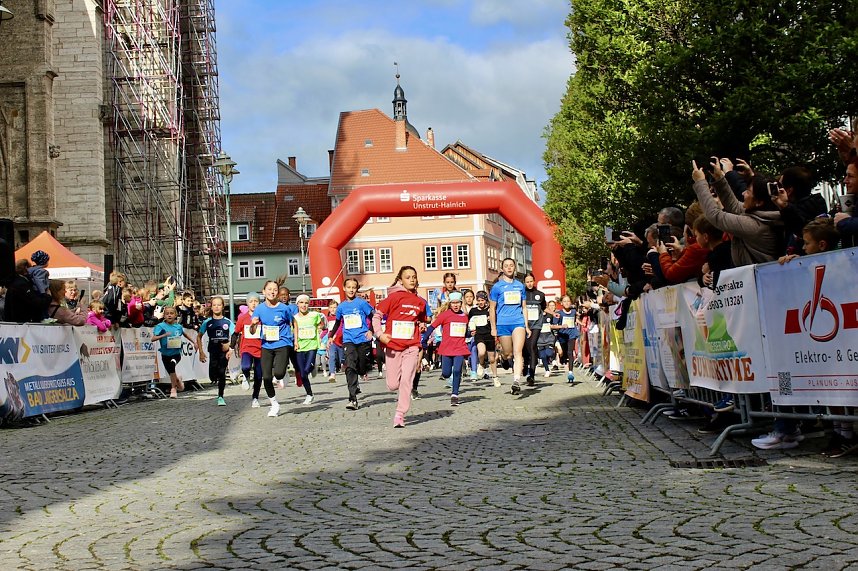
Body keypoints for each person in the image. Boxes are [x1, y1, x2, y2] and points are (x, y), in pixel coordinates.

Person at [692, 158, 784, 266]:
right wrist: (719, 178)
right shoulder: (763, 215)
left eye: (748, 192)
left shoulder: (755, 226)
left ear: (759, 202)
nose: (744, 193)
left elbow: (715, 216)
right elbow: (734, 206)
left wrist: (700, 183)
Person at [373, 266, 428, 427]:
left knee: (406, 380)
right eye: (408, 277)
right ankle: (398, 401)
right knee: (392, 385)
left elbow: (421, 320)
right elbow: (377, 316)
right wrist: (380, 334)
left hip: (412, 346)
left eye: (414, 276)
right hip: (393, 346)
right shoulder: (394, 298)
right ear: (401, 280)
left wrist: (422, 326)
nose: (411, 279)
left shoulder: (420, 302)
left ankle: (400, 413)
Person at [250, 281, 297, 417]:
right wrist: (253, 325)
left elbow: (293, 322)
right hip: (266, 345)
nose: (272, 292)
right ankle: (274, 404)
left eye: (275, 290)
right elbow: (253, 331)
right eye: (269, 289)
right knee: (266, 377)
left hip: (282, 343)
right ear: (263, 291)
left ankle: (283, 374)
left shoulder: (284, 308)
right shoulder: (259, 309)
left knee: (279, 373)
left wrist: (296, 339)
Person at [330, 278, 374, 410]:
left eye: (353, 287)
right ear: (344, 288)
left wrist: (371, 331)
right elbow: (337, 322)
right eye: (348, 287)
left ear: (357, 289)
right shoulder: (341, 307)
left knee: (361, 367)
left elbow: (373, 317)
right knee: (350, 366)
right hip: (348, 340)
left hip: (362, 339)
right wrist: (331, 336)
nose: (351, 289)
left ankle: (361, 375)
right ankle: (352, 399)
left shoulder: (361, 303)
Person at [489, 258, 529, 395]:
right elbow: (492, 308)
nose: (509, 268)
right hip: (503, 323)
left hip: (518, 322)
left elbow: (524, 307)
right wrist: (493, 328)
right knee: (508, 352)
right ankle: (504, 358)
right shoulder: (497, 287)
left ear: (514, 268)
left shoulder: (520, 286)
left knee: (518, 352)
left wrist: (527, 325)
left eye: (511, 265)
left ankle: (516, 381)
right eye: (506, 266)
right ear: (502, 269)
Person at [423, 291, 471, 406]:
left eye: (458, 303)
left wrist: (470, 333)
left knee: (457, 370)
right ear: (450, 304)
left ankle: (455, 394)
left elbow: (464, 333)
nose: (456, 305)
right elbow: (433, 326)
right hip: (446, 349)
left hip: (459, 348)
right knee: (446, 373)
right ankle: (446, 376)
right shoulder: (445, 315)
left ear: (461, 303)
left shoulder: (464, 317)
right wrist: (424, 339)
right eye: (453, 303)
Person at [151, 306, 196, 398]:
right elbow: (153, 338)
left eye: (171, 313)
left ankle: (173, 389)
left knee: (172, 366)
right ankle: (178, 381)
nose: (169, 315)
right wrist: (164, 335)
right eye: (167, 314)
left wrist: (194, 342)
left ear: (176, 315)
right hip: (165, 354)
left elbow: (185, 334)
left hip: (176, 354)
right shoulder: (160, 326)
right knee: (171, 372)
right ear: (164, 316)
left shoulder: (178, 327)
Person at [197, 297, 234, 406]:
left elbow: (236, 335)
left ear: (223, 306)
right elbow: (199, 336)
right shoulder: (207, 322)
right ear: (211, 307)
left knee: (222, 372)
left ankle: (220, 396)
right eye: (214, 305)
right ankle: (214, 377)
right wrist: (201, 352)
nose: (217, 307)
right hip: (213, 350)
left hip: (224, 350)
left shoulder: (227, 322)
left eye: (219, 305)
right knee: (213, 375)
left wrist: (230, 347)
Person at [293, 294, 325, 405]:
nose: (304, 305)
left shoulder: (314, 315)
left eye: (306, 303)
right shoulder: (295, 318)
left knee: (306, 370)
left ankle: (311, 366)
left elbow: (322, 324)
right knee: (302, 375)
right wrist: (295, 342)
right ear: (297, 304)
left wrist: (321, 327)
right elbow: (294, 331)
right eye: (301, 302)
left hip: (312, 345)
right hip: (300, 347)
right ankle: (309, 394)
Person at [234, 292, 264, 407]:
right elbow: (236, 332)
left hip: (260, 349)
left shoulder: (262, 317)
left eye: (256, 301)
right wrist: (232, 347)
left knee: (259, 375)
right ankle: (246, 376)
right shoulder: (243, 317)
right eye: (251, 301)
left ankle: (255, 397)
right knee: (246, 366)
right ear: (247, 303)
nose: (254, 304)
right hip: (246, 348)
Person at [522, 273, 547, 386]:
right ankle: (525, 364)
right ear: (524, 283)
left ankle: (531, 375)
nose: (529, 283)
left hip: (536, 324)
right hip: (524, 324)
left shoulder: (540, 295)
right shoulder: (522, 294)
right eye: (527, 282)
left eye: (531, 281)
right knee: (525, 348)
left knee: (532, 346)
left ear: (534, 281)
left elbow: (543, 307)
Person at [469, 291, 497, 384]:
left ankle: (495, 377)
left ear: (486, 300)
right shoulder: (473, 311)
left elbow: (495, 321)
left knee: (492, 359)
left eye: (482, 300)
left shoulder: (490, 310)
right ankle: (481, 363)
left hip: (489, 335)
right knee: (481, 352)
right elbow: (470, 322)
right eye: (479, 300)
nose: (480, 302)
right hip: (479, 335)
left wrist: (491, 318)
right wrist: (471, 330)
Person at [551, 295, 579, 375]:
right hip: (562, 335)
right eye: (565, 301)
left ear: (571, 302)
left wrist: (580, 322)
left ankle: (570, 372)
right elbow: (553, 326)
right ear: (562, 303)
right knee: (562, 353)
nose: (567, 303)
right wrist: (561, 326)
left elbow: (574, 320)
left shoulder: (573, 311)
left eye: (568, 301)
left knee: (570, 352)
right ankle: (561, 359)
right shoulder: (559, 313)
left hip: (571, 334)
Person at [324, 300, 344, 382]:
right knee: (331, 356)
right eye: (331, 307)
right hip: (331, 341)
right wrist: (322, 338)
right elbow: (326, 330)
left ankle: (343, 364)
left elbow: (341, 327)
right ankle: (332, 373)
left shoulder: (340, 318)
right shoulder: (327, 319)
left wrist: (335, 334)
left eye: (335, 307)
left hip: (341, 340)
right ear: (328, 308)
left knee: (341, 358)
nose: (333, 309)